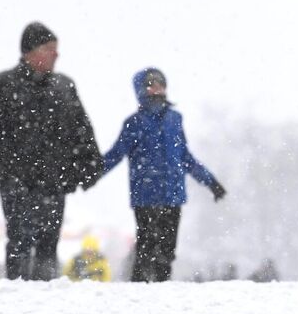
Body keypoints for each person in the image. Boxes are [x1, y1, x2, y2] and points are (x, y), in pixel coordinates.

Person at [0, 23, 103, 280]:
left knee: (48, 243)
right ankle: (18, 297)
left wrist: (90, 165)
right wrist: (11, 146)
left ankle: (46, 301)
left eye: (56, 49)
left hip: (54, 180)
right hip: (16, 179)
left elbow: (82, 130)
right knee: (20, 240)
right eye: (49, 49)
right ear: (30, 51)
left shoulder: (64, 87)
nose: (55, 55)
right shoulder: (2, 85)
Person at [97, 68, 226, 283]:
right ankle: (138, 291)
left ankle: (162, 291)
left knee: (167, 250)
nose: (157, 89)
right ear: (140, 90)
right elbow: (116, 154)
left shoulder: (175, 120)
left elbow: (185, 157)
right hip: (145, 196)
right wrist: (91, 174)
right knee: (146, 247)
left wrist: (210, 181)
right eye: (151, 84)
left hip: (173, 195)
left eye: (160, 84)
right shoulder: (134, 123)